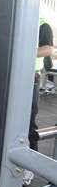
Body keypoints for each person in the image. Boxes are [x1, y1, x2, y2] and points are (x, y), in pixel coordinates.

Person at [29, 19, 55, 150]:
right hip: (12, 73)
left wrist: (21, 53)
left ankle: (31, 162)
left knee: (28, 123)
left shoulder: (41, 21)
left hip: (29, 78)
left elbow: (48, 49)